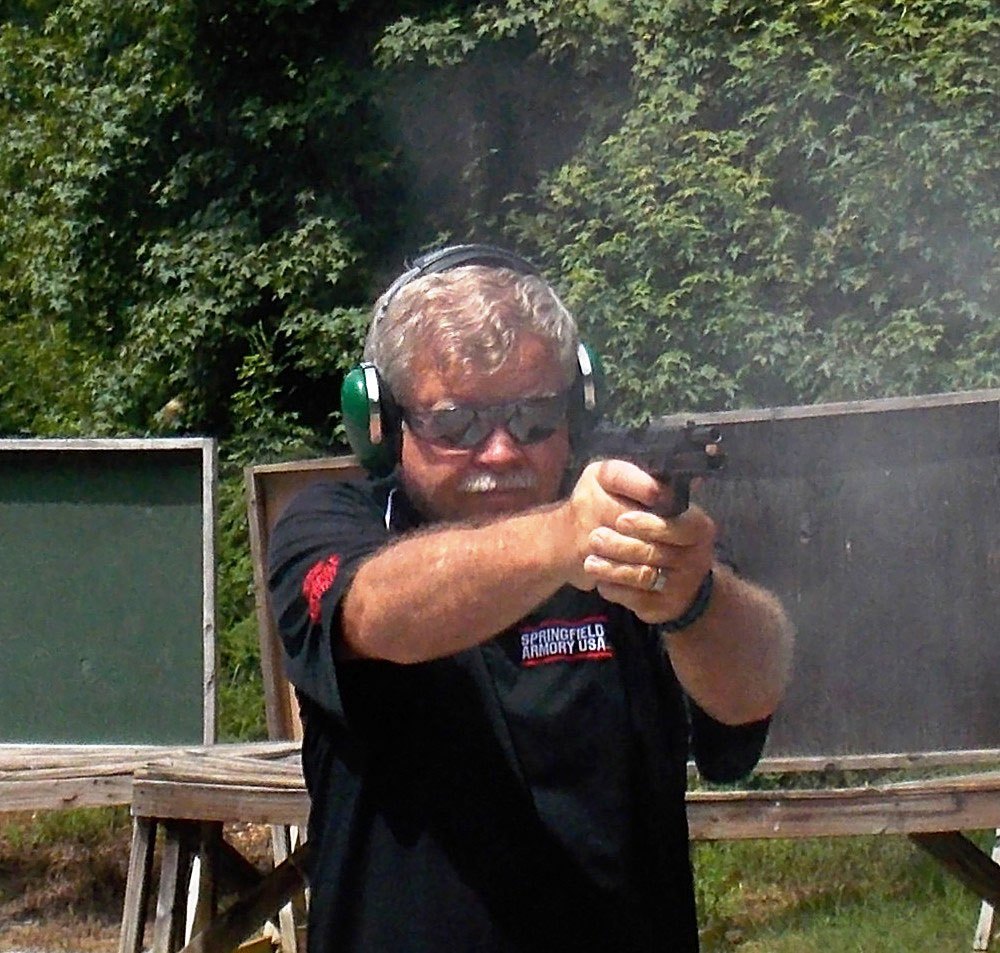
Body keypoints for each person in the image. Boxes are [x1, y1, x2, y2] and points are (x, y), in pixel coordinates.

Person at [268, 245, 794, 953]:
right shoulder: (330, 523)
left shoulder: (623, 524)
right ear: (383, 423)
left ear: (576, 409)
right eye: (456, 425)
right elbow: (374, 612)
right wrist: (563, 540)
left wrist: (694, 600)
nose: (500, 451)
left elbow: (753, 691)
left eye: (533, 417)